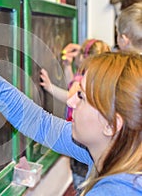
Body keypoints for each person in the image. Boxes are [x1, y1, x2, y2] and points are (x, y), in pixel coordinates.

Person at [0, 31, 142, 195]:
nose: (72, 101)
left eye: (81, 96)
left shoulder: (117, 191)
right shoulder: (116, 151)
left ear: (111, 125)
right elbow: (39, 122)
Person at [40, 39, 111, 194]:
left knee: (82, 179)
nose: (74, 101)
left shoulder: (86, 78)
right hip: (83, 137)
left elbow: (70, 94)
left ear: (83, 57)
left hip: (80, 139)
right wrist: (67, 67)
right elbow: (73, 86)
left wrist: (50, 88)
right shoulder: (96, 77)